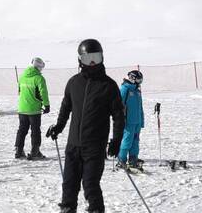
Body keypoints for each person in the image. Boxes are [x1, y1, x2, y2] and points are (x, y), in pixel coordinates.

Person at [46, 39, 125, 213]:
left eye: (96, 58)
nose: (92, 62)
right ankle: (67, 209)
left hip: (94, 147)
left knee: (90, 185)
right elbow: (66, 107)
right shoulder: (74, 83)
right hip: (73, 145)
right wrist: (58, 126)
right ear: (80, 59)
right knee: (69, 185)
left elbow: (119, 117)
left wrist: (116, 141)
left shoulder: (108, 86)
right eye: (88, 58)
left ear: (102, 58)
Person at [14, 57, 50, 160]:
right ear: (38, 67)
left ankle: (19, 151)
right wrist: (46, 105)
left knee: (22, 129)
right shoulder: (39, 78)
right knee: (35, 131)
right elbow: (43, 93)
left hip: (22, 108)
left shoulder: (22, 76)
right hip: (34, 110)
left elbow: (19, 91)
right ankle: (35, 151)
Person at [117, 70, 144, 169]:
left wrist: (142, 121)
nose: (140, 82)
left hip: (137, 121)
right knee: (127, 141)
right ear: (132, 79)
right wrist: (120, 120)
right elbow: (119, 106)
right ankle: (121, 160)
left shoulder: (137, 91)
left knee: (135, 141)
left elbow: (140, 107)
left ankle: (133, 159)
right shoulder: (125, 89)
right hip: (128, 122)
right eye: (138, 80)